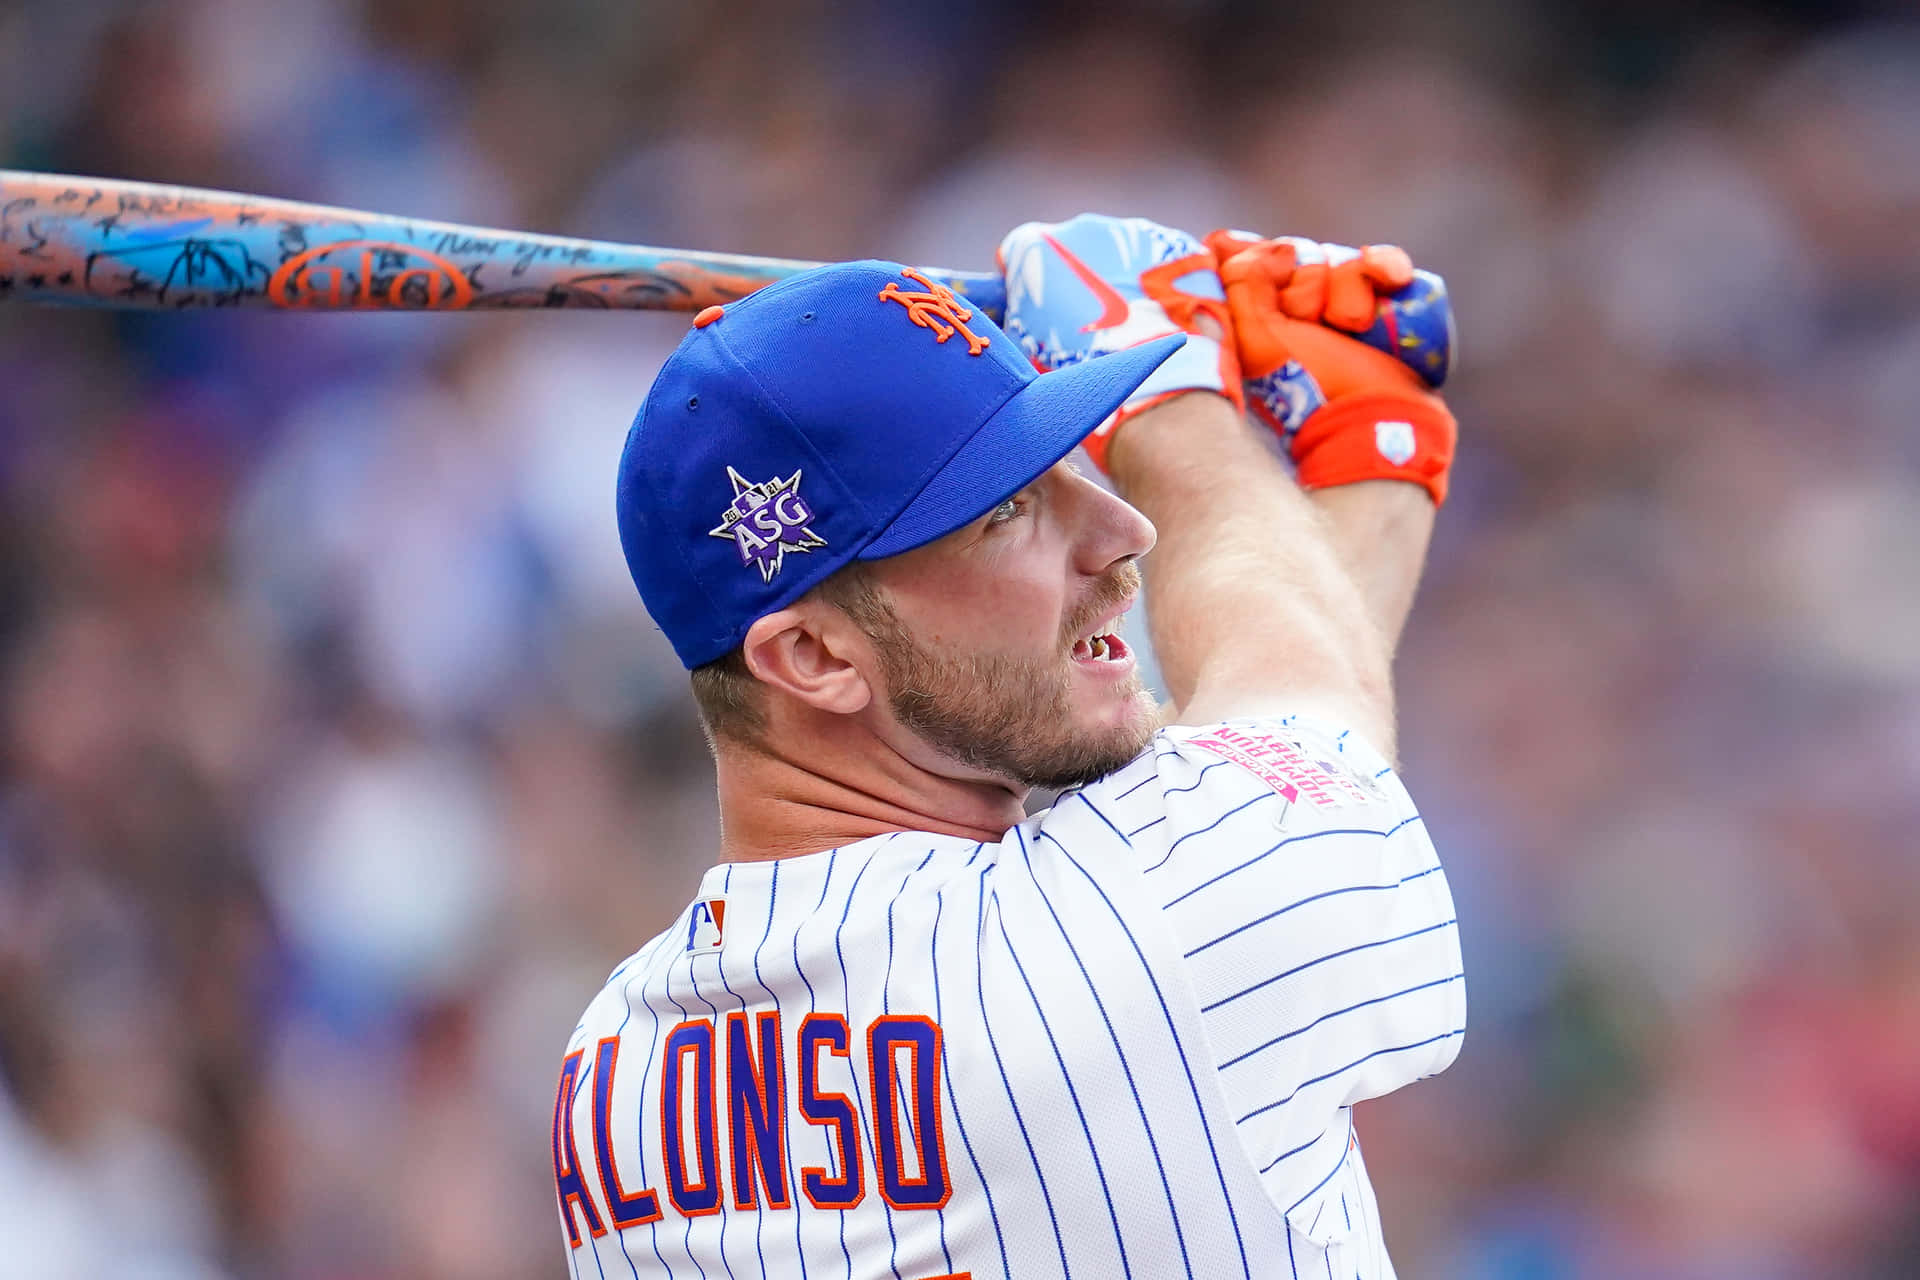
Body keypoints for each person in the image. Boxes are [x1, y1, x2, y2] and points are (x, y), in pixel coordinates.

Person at [551, 214, 1465, 1279]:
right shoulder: (1141, 925)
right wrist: (1180, 408)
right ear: (811, 655)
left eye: (1072, 463)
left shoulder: (613, 1072)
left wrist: (1370, 438)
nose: (1125, 533)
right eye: (1008, 510)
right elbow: (1300, 694)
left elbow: (1287, 695)